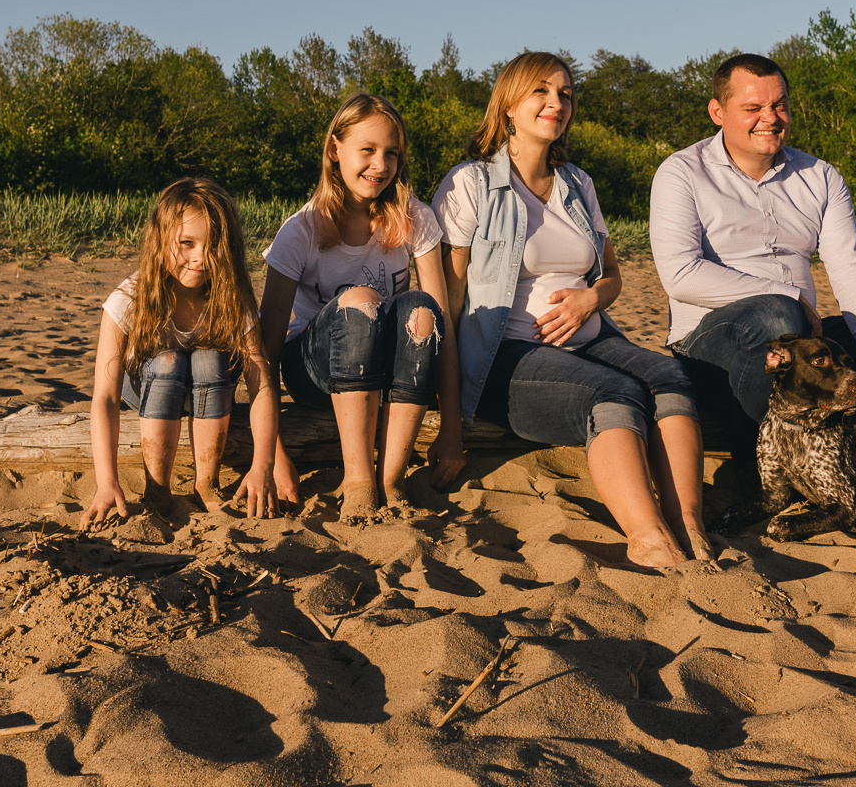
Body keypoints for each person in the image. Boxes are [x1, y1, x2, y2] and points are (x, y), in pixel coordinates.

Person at [434, 52, 707, 567]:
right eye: (541, 91)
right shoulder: (469, 184)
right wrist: (451, 425)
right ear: (508, 105)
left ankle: (689, 525)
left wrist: (589, 300)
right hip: (506, 356)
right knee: (616, 392)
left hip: (594, 337)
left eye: (565, 94)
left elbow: (612, 277)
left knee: (670, 375)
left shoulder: (578, 185)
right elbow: (449, 311)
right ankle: (648, 537)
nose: (556, 103)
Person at [649, 53, 856, 479]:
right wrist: (787, 296)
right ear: (717, 112)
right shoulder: (681, 173)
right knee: (775, 313)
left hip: (805, 349)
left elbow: (852, 268)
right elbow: (680, 274)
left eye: (779, 105)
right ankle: (759, 469)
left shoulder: (820, 176)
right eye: (753, 108)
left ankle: (848, 441)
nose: (771, 117)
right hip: (713, 350)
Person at [260, 93, 465, 521]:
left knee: (423, 310)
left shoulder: (414, 216)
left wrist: (451, 429)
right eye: (367, 150)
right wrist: (271, 455)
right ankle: (357, 478)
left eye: (391, 153)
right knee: (360, 302)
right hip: (315, 372)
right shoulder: (301, 231)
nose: (380, 165)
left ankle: (391, 478)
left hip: (385, 372)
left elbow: (441, 324)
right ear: (335, 149)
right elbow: (265, 347)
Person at [82, 177, 284, 529]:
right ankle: (157, 489)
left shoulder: (232, 299)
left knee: (209, 358)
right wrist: (106, 481)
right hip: (148, 388)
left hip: (211, 392)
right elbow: (105, 398)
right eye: (186, 243)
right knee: (169, 361)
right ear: (160, 241)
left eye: (213, 245)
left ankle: (207, 483)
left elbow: (262, 385)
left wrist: (263, 465)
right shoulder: (128, 299)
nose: (201, 257)